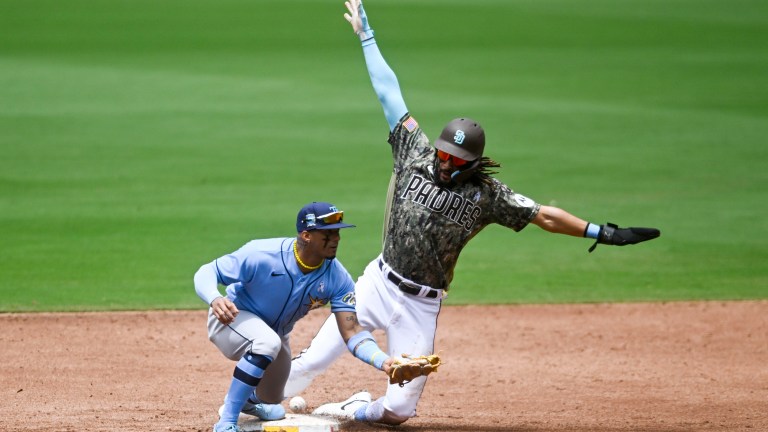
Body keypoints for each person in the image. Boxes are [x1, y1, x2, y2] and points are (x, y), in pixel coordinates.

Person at [285, 0, 661, 426]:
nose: (446, 163)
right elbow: (389, 91)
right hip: (376, 283)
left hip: (421, 305)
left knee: (397, 411)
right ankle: (249, 405)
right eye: (444, 154)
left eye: (456, 159)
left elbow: (543, 215)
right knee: (307, 364)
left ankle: (352, 409)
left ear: (472, 162)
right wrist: (366, 37)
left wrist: (602, 232)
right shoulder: (414, 151)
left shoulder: (487, 195)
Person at [194, 201, 395, 432]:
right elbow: (208, 271)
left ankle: (250, 403)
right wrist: (214, 298)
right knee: (266, 342)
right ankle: (226, 421)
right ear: (307, 235)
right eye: (328, 234)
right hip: (230, 322)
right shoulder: (262, 254)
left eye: (337, 232)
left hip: (275, 336)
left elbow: (352, 331)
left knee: (271, 396)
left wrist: (384, 361)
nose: (337, 238)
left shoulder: (337, 278)